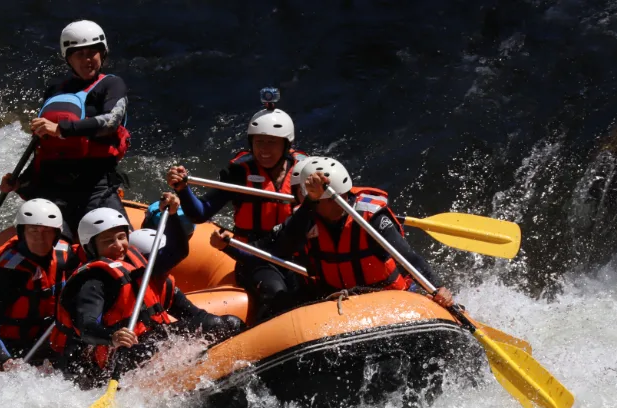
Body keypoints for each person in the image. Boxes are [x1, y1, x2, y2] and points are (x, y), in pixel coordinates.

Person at [211, 156, 455, 309]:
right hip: (334, 302)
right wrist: (230, 246)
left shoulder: (370, 217)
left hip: (387, 299)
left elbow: (408, 258)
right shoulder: (304, 218)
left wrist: (437, 288)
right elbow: (276, 251)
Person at [50, 201, 243, 386]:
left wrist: (174, 215)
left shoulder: (141, 270)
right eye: (108, 241)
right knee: (210, 327)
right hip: (119, 356)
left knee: (227, 324)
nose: (118, 245)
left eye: (121, 237)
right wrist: (113, 337)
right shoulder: (94, 281)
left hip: (150, 341)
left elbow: (180, 256)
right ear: (92, 247)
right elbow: (87, 327)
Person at [166, 90, 307, 322]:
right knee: (275, 292)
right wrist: (183, 189)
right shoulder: (239, 174)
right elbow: (200, 213)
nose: (264, 149)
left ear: (286, 145)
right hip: (253, 256)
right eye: (259, 142)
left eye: (272, 143)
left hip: (295, 255)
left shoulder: (304, 172)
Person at [0, 20, 130, 238]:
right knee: (51, 254)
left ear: (103, 54)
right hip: (53, 190)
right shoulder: (54, 91)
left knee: (117, 250)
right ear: (68, 58)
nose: (88, 60)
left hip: (95, 188)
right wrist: (20, 182)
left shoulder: (112, 85)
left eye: (93, 53)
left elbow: (110, 123)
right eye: (80, 54)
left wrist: (61, 129)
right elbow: (43, 148)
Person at [0, 199, 79, 369]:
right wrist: (6, 360)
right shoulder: (10, 272)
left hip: (54, 334)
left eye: (47, 232)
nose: (40, 238)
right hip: (19, 345)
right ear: (22, 233)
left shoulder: (66, 256)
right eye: (33, 231)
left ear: (57, 234)